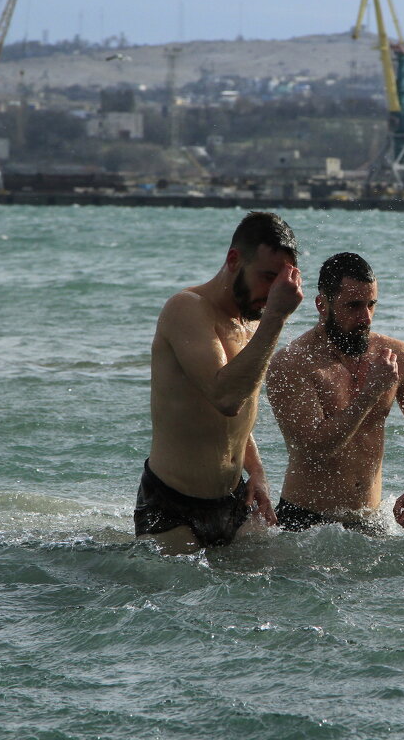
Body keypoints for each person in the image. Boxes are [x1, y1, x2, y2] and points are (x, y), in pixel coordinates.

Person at [134, 211, 303, 553]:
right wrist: (277, 316)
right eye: (267, 276)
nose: (272, 292)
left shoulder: (253, 321)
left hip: (233, 499)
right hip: (172, 503)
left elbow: (240, 412)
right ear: (233, 259)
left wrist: (256, 471)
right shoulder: (186, 309)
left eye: (280, 281)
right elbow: (225, 397)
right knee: (180, 599)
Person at [265, 252, 404, 533]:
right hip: (305, 522)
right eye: (354, 306)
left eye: (371, 305)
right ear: (322, 304)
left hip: (371, 520)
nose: (366, 318)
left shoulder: (398, 356)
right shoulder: (292, 363)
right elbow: (317, 447)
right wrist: (371, 392)